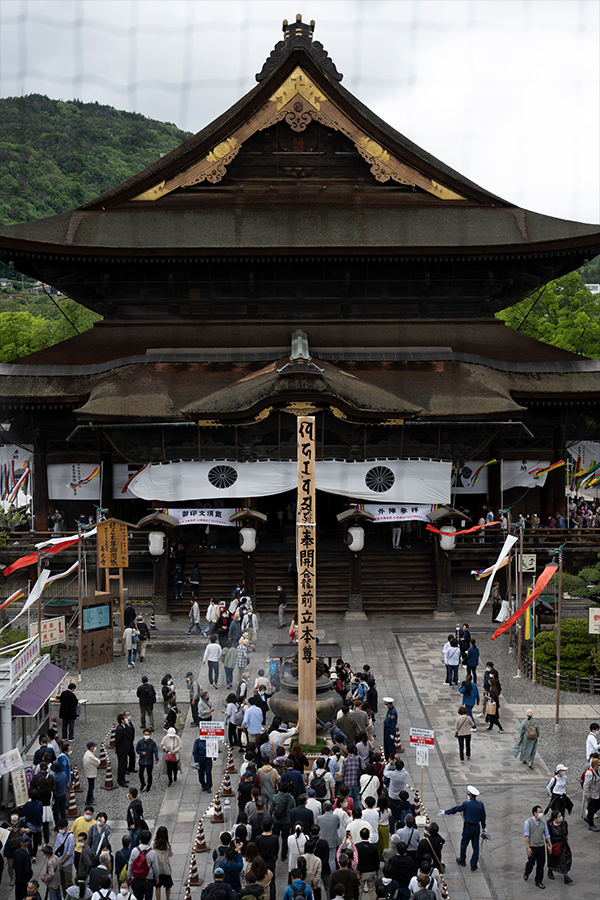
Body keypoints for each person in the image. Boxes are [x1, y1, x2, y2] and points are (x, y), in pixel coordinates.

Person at [439, 785, 487, 872]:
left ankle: (462, 860)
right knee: (475, 847)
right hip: (476, 828)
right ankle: (473, 865)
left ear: (471, 795)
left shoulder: (466, 804)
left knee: (464, 844)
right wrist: (483, 828)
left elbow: (455, 809)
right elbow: (483, 817)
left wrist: (445, 812)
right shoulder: (481, 804)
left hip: (468, 828)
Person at [523, 805, 552, 889]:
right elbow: (527, 836)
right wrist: (528, 848)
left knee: (541, 865)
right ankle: (527, 872)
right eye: (539, 812)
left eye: (541, 812)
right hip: (532, 846)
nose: (541, 814)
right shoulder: (528, 822)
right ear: (535, 813)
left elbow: (547, 835)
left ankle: (538, 881)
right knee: (531, 863)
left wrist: (550, 845)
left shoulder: (543, 823)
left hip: (541, 846)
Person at [127, 829, 160, 899]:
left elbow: (130, 864)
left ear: (140, 838)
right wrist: (156, 878)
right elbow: (155, 867)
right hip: (148, 878)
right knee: (148, 897)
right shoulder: (152, 852)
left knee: (138, 897)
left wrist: (129, 876)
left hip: (136, 878)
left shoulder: (134, 850)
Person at [546, 808, 573, 884]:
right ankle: (550, 870)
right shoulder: (550, 825)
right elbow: (547, 836)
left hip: (563, 844)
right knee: (552, 859)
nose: (561, 817)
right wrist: (549, 846)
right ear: (555, 818)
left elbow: (566, 833)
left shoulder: (564, 823)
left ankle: (565, 876)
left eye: (561, 815)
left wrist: (566, 840)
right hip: (554, 844)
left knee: (565, 859)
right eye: (559, 816)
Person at [355, 827, 380, 899]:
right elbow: (377, 860)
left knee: (359, 890)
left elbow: (355, 860)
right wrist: (377, 869)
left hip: (360, 872)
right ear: (369, 836)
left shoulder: (357, 847)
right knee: (372, 890)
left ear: (360, 835)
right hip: (371, 872)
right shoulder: (374, 847)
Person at [152, 826, 173, 900]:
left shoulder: (154, 844)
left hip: (157, 868)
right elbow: (170, 854)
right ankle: (167, 898)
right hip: (166, 869)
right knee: (168, 885)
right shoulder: (167, 845)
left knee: (158, 886)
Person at [135, 729, 158, 793]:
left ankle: (148, 786)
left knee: (149, 774)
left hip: (149, 762)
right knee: (140, 774)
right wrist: (141, 753)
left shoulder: (152, 743)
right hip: (142, 761)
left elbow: (155, 751)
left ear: (150, 735)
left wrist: (156, 759)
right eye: (145, 734)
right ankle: (143, 784)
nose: (146, 736)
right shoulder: (140, 742)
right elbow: (137, 749)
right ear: (143, 734)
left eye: (148, 734)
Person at [115, 713, 133, 787]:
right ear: (122, 721)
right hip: (122, 750)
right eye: (124, 718)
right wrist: (117, 749)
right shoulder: (120, 729)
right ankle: (121, 781)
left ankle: (122, 779)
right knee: (122, 766)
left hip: (125, 749)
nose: (126, 719)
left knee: (124, 764)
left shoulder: (124, 727)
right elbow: (118, 741)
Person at [583, 756, 600, 830]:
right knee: (592, 809)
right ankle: (591, 824)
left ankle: (589, 816)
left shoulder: (597, 771)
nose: (598, 766)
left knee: (597, 806)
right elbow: (586, 786)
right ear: (594, 765)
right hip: (592, 795)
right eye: (598, 765)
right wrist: (587, 796)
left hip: (597, 793)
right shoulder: (589, 773)